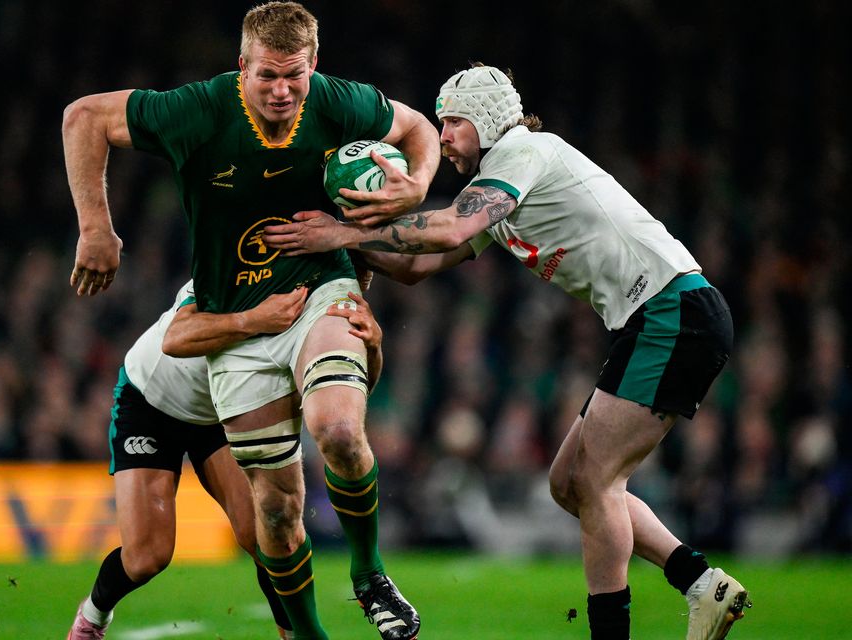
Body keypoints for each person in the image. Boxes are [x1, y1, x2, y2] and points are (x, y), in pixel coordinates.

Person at [263, 63, 752, 640]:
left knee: (596, 483)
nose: (442, 138)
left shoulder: (524, 152)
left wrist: (343, 235)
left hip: (672, 312)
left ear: (490, 120)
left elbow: (446, 229)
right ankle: (702, 583)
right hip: (656, 317)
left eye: (453, 124)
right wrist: (343, 238)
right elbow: (418, 266)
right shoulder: (497, 186)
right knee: (569, 481)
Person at [61, 3, 438, 638]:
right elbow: (83, 115)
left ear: (314, 67)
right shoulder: (201, 110)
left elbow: (419, 130)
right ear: (242, 67)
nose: (283, 90)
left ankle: (369, 573)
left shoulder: (340, 103)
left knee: (338, 431)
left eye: (295, 75)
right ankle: (98, 616)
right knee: (258, 520)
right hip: (217, 341)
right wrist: (96, 228)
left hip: (315, 287)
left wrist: (418, 184)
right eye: (267, 75)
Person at [68, 280, 386, 640]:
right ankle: (92, 617)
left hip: (224, 413)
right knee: (146, 557)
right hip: (151, 401)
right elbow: (176, 338)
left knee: (266, 535)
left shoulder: (323, 307)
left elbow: (351, 394)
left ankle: (293, 634)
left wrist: (371, 349)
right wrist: (256, 319)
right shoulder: (234, 271)